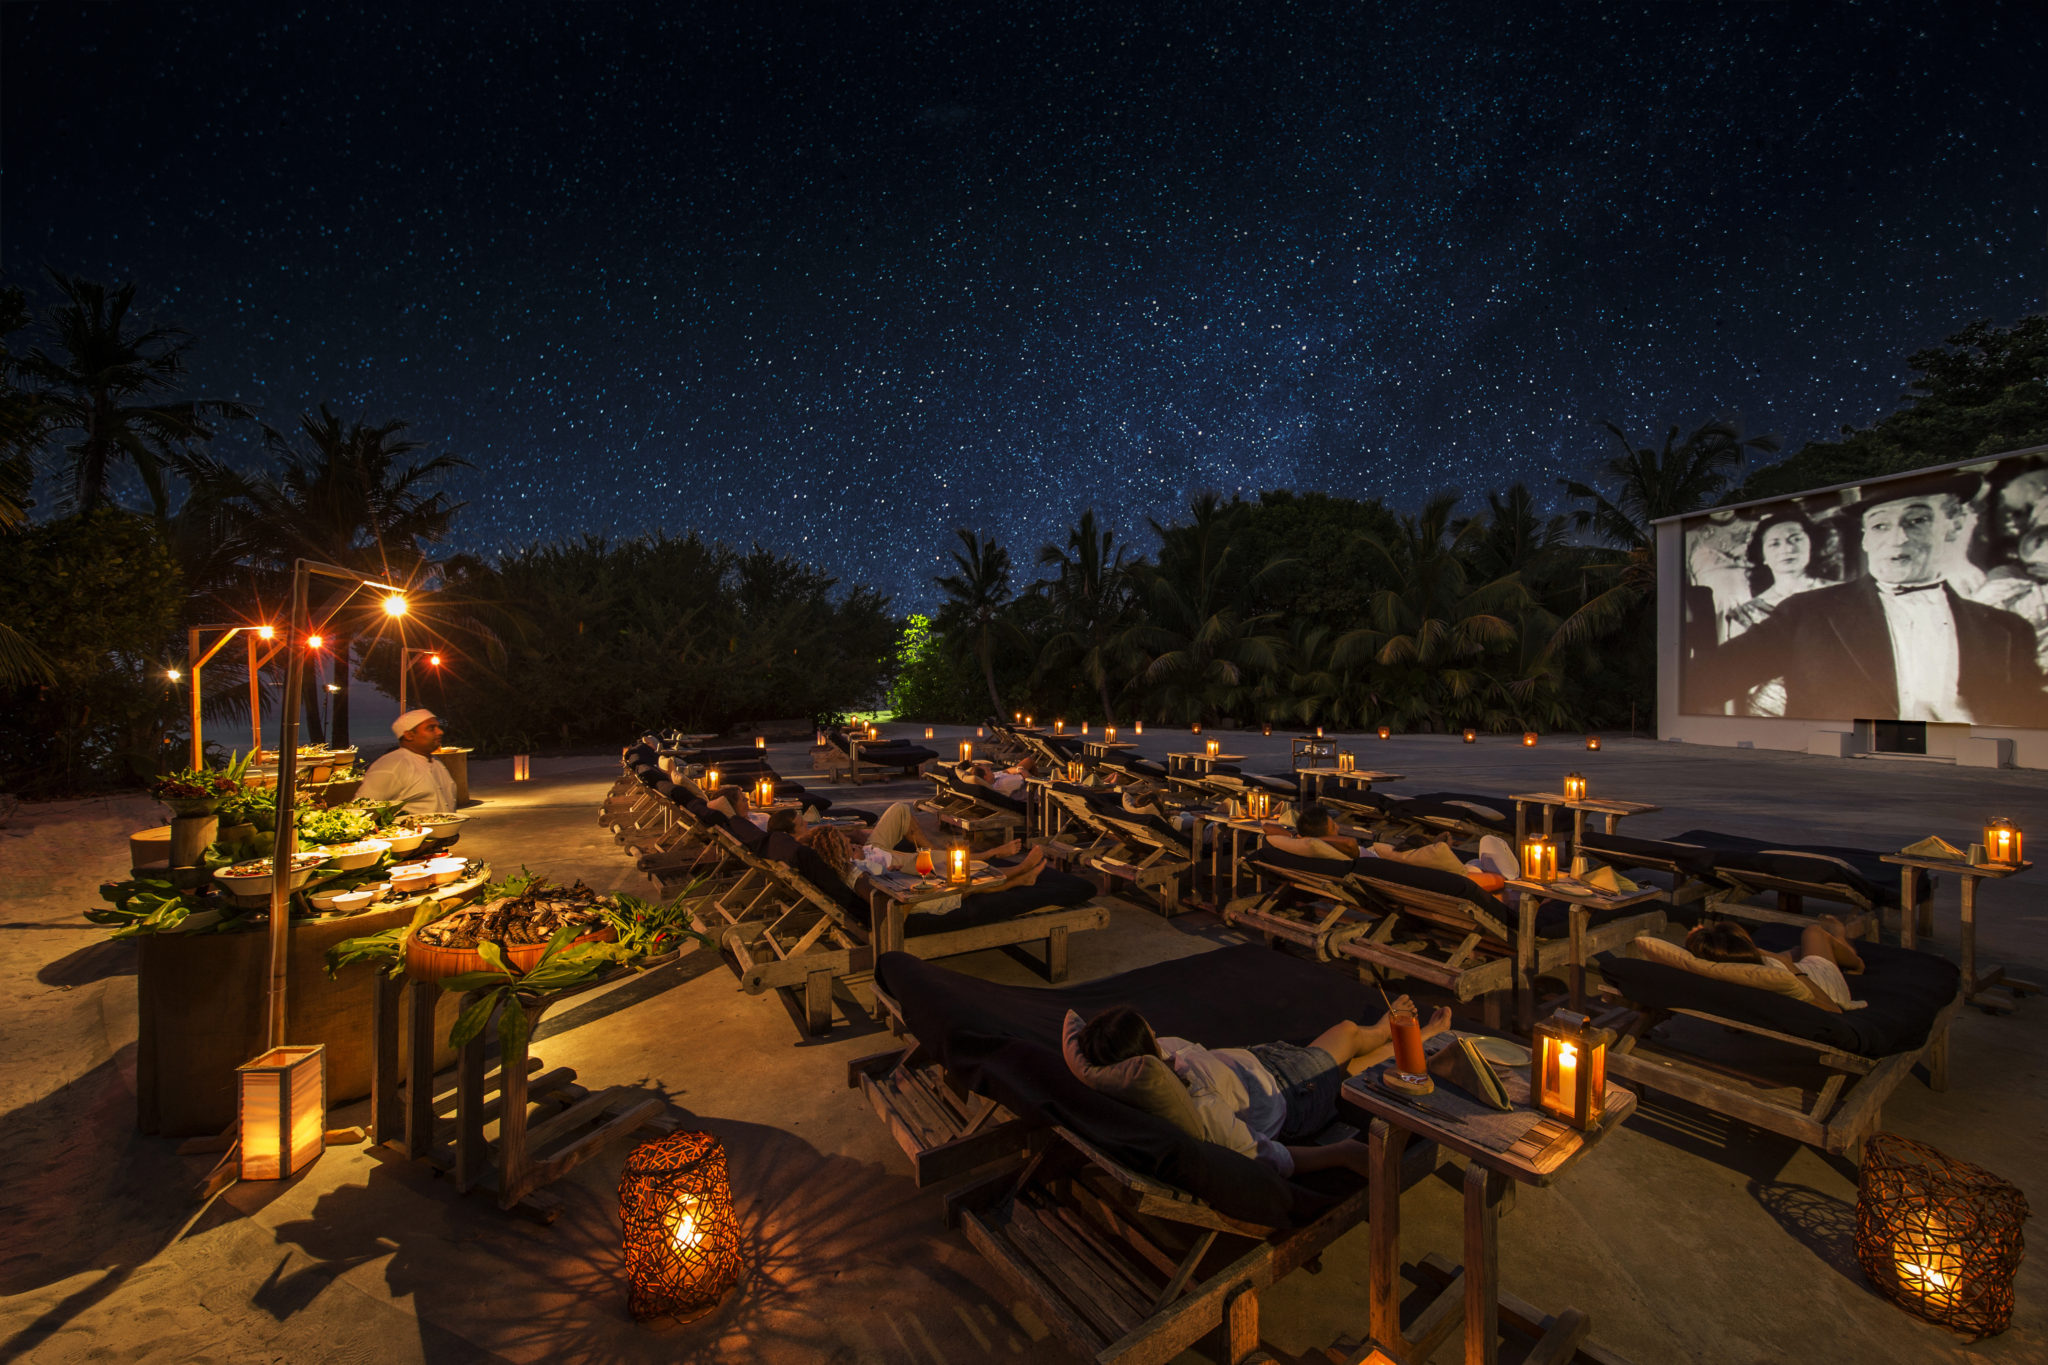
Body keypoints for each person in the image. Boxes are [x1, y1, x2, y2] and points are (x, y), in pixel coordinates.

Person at [1712, 476, 2044, 724]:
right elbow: (1708, 679)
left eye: (1917, 520)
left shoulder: (2009, 630)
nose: (1897, 538)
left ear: (1953, 526)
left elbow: (2032, 720)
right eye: (1881, 525)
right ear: (1866, 539)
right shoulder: (1806, 613)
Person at [1073, 997, 1452, 1178]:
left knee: (1350, 1067)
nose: (1158, 1035)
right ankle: (1394, 1030)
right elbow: (1262, 1155)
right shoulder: (1199, 1104)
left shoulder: (1150, 1068)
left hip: (1267, 1063)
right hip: (1292, 1093)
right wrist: (1341, 1153)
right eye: (1151, 1036)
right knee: (1349, 1033)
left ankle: (1410, 1040)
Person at [1685, 916, 1866, 1012]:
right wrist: (1786, 964)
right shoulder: (1776, 974)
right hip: (1824, 984)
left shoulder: (1723, 971)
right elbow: (1832, 1008)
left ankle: (1821, 945)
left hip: (1788, 969)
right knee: (1813, 932)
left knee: (1797, 950)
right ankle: (1849, 952)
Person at [807, 821, 1048, 892]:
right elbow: (879, 876)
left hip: (887, 867)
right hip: (909, 886)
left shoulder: (843, 865)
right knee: (966, 881)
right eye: (849, 847)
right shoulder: (857, 870)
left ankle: (1021, 877)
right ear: (844, 855)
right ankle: (1016, 870)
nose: (853, 845)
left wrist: (860, 848)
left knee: (900, 810)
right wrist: (864, 858)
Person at [1721, 511, 1829, 640]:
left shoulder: (1840, 592)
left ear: (1812, 544)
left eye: (1796, 539)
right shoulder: (1745, 616)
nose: (1787, 549)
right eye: (1774, 544)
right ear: (1763, 556)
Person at [355, 709, 457, 815]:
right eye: (431, 728)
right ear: (409, 735)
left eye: (438, 727)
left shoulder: (435, 761)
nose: (440, 732)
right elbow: (362, 809)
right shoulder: (391, 765)